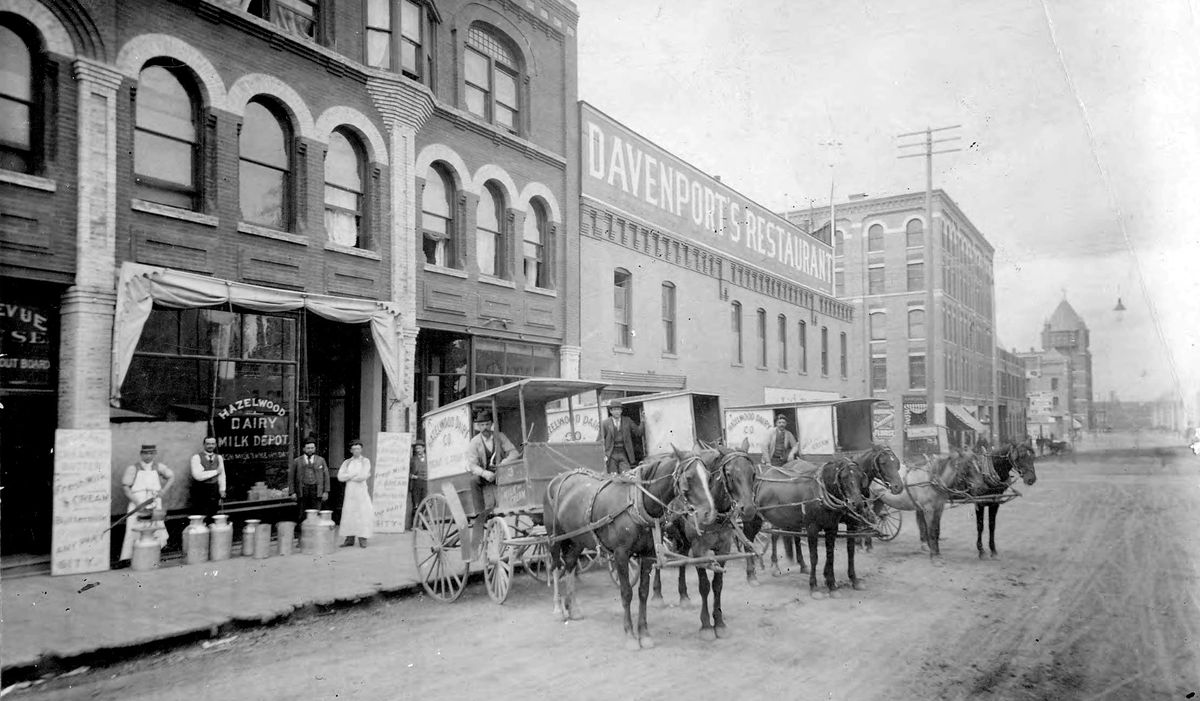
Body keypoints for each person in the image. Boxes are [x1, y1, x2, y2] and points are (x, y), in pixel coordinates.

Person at [466, 410, 519, 545]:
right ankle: (480, 514)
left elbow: (514, 452)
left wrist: (503, 464)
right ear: (478, 426)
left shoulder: (500, 436)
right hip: (485, 473)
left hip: (500, 471)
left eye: (487, 424)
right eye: (481, 425)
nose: (484, 428)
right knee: (474, 480)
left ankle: (511, 503)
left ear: (491, 424)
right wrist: (484, 473)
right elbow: (472, 465)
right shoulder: (474, 442)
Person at [118, 444, 175, 566]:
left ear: (154, 454)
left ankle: (153, 556)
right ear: (141, 454)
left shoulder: (159, 467)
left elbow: (171, 476)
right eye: (145, 453)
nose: (148, 455)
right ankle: (128, 558)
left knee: (156, 526)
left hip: (154, 501)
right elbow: (126, 487)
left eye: (151, 453)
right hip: (138, 501)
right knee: (133, 527)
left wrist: (163, 491)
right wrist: (137, 502)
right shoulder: (133, 468)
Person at [337, 440, 374, 548]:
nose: (356, 451)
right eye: (354, 449)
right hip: (350, 492)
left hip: (361, 492)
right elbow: (340, 476)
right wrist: (352, 475)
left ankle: (363, 538)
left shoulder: (365, 461)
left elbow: (362, 476)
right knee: (349, 513)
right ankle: (349, 539)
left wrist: (349, 476)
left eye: (358, 448)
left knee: (362, 513)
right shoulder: (347, 462)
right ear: (351, 450)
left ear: (361, 449)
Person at [288, 438, 329, 520]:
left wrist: (326, 491)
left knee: (316, 510)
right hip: (302, 489)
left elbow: (326, 476)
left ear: (315, 448)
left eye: (312, 448)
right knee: (302, 511)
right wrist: (292, 492)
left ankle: (315, 529)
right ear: (304, 449)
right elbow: (291, 477)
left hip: (316, 489)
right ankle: (302, 529)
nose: (310, 450)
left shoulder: (321, 460)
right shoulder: (297, 461)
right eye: (308, 448)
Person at [189, 436, 226, 520]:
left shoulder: (219, 458)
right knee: (200, 514)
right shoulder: (196, 457)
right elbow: (198, 476)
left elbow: (222, 475)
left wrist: (222, 489)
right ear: (204, 445)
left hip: (214, 489)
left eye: (213, 444)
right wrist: (215, 472)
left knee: (213, 513)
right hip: (201, 489)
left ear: (216, 445)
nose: (210, 446)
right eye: (208, 444)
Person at [601, 401, 643, 473]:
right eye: (614, 410)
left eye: (618, 409)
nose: (617, 412)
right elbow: (599, 440)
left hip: (623, 453)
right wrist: (603, 456)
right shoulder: (605, 423)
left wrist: (643, 421)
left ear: (621, 410)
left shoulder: (627, 421)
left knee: (627, 475)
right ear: (611, 411)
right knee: (613, 477)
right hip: (611, 455)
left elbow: (638, 432)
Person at [408, 440, 427, 529]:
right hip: (416, 483)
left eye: (419, 448)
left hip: (426, 483)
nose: (418, 450)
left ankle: (425, 524)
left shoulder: (428, 458)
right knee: (416, 504)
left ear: (424, 448)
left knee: (426, 503)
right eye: (416, 448)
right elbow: (407, 473)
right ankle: (414, 525)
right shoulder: (413, 460)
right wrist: (412, 476)